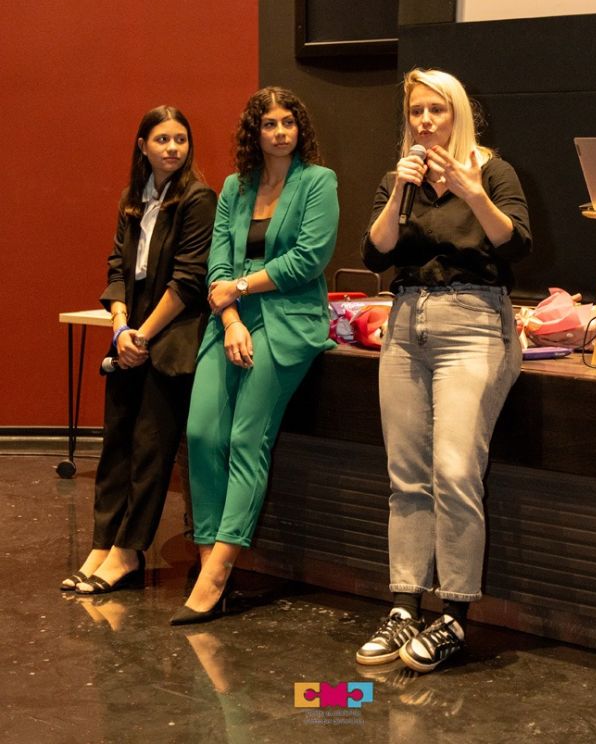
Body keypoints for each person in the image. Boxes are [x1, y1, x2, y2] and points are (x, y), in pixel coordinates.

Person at [356, 68, 531, 673]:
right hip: (407, 322)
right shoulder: (397, 178)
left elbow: (517, 244)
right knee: (406, 475)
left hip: (474, 323)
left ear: (457, 114)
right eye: (416, 112)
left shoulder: (494, 172)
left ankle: (454, 614)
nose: (426, 121)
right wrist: (400, 193)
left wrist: (472, 191)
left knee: (454, 470)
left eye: (437, 110)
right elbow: (374, 254)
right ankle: (404, 606)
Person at [170, 87, 339, 626]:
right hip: (233, 321)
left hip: (289, 320)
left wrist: (240, 288)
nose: (280, 132)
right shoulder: (234, 187)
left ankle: (218, 571)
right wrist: (231, 318)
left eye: (289, 122)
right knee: (201, 434)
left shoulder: (319, 182)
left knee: (247, 438)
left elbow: (307, 260)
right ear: (255, 132)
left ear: (300, 128)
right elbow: (217, 265)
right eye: (269, 124)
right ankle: (207, 559)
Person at [60, 106, 216, 596]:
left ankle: (128, 552)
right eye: (162, 139)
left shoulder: (198, 198)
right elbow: (116, 266)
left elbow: (188, 281)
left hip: (170, 331)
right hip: (132, 326)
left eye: (181, 139)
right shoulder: (133, 197)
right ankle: (102, 544)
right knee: (117, 444)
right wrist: (121, 326)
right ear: (143, 145)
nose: (173, 148)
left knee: (150, 449)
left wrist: (141, 336)